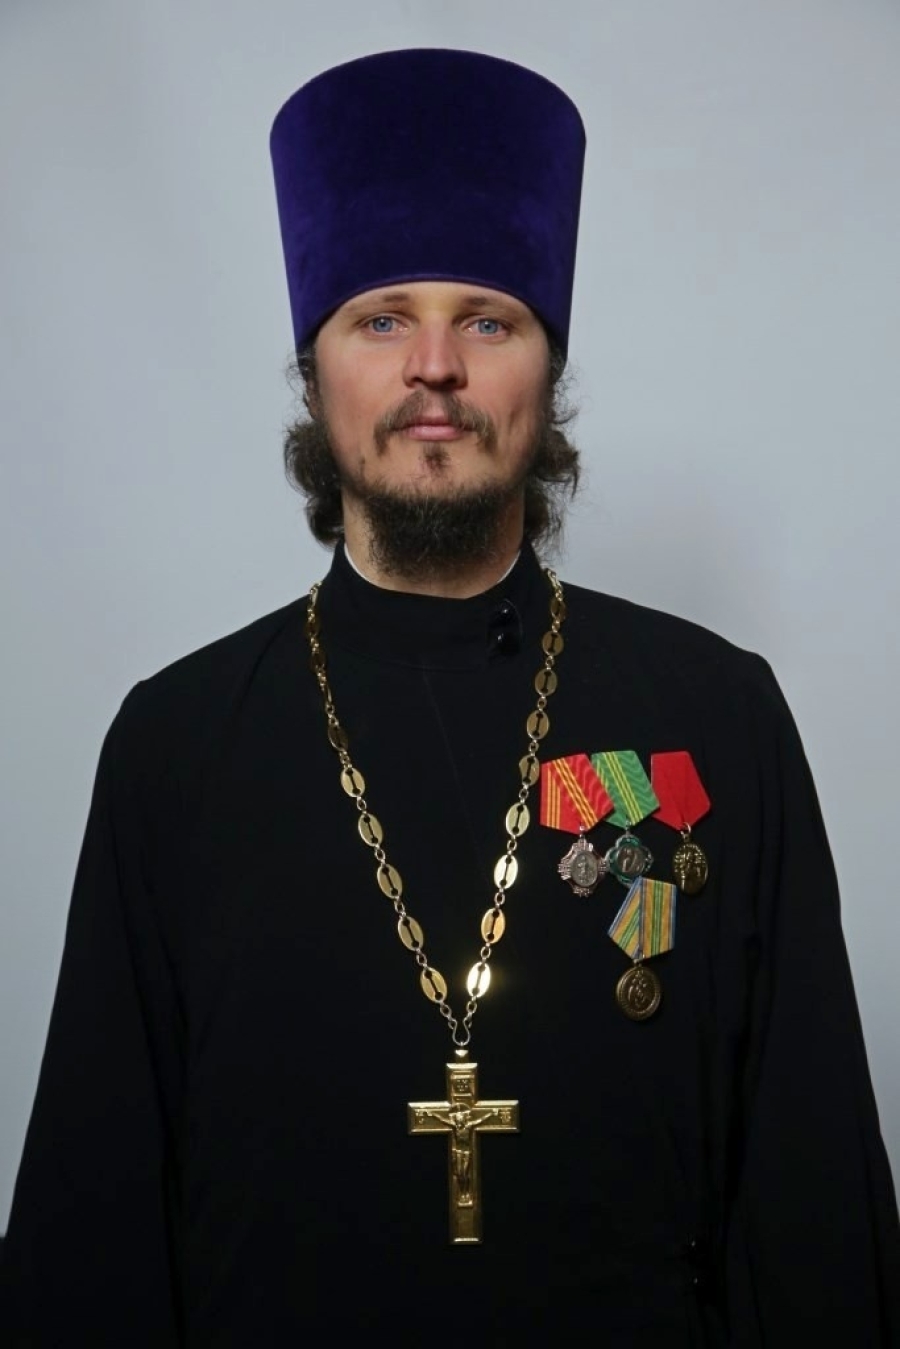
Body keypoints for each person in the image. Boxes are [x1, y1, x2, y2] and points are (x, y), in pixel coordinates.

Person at [2, 47, 899, 1348]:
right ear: (316, 369)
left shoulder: (719, 715)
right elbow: (93, 1230)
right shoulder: (175, 745)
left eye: (487, 319)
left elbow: (809, 1204)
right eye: (382, 319)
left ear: (547, 369)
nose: (435, 366)